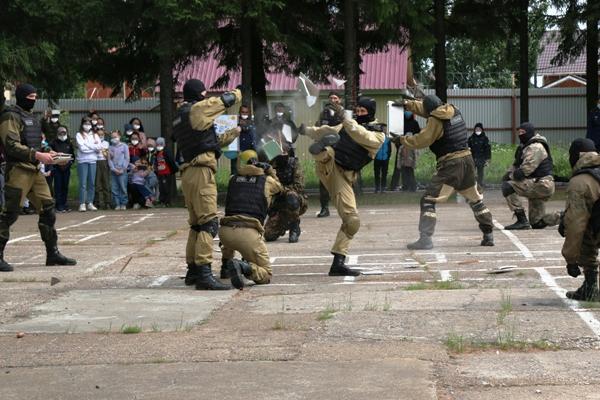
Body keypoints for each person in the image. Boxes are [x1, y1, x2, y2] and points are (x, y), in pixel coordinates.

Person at [396, 94, 494, 249]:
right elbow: (428, 109)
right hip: (467, 161)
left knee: (428, 199)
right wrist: (408, 104)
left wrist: (402, 140)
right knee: (475, 198)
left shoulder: (435, 119)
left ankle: (425, 239)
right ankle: (488, 234)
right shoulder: (454, 110)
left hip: (450, 164)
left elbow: (423, 139)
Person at [299, 97, 385, 275]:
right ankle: (322, 152)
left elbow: (361, 134)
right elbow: (327, 130)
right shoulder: (347, 124)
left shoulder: (377, 135)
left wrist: (346, 118)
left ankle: (337, 262)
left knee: (352, 221)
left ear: (371, 113)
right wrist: (303, 130)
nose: (360, 114)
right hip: (331, 166)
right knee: (329, 147)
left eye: (363, 112)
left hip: (345, 175)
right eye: (358, 110)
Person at [174, 79, 241, 290]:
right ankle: (204, 273)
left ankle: (193, 271)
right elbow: (225, 100)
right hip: (202, 171)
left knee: (196, 224)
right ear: (199, 93)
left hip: (188, 173)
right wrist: (239, 92)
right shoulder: (198, 109)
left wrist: (235, 132)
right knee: (209, 223)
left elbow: (207, 140)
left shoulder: (181, 115)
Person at [0, 83, 76, 272]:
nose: (33, 100)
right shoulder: (11, 116)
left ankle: (53, 254)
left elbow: (34, 143)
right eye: (30, 97)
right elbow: (11, 146)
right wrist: (38, 156)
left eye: (35, 97)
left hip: (34, 170)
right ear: (22, 97)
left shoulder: (31, 118)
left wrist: (50, 154)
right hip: (18, 170)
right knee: (9, 214)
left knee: (48, 208)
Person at [219, 150, 283, 289]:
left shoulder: (232, 179)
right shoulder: (267, 181)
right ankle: (243, 267)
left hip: (225, 233)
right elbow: (279, 188)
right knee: (266, 274)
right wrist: (270, 170)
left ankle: (225, 265)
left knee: (231, 234)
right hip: (248, 234)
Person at [559, 138, 600, 301]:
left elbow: (576, 224)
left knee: (583, 231)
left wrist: (571, 259)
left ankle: (590, 287)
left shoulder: (580, 182)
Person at [501, 122, 560, 230]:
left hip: (542, 184)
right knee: (537, 223)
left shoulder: (535, 147)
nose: (520, 134)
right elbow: (516, 165)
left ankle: (522, 220)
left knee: (508, 186)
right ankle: (564, 216)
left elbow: (524, 171)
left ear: (530, 133)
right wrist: (508, 173)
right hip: (538, 184)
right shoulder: (526, 147)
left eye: (523, 132)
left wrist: (510, 177)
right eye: (519, 132)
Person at [264, 150, 308, 243]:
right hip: (277, 203)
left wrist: (281, 189)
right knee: (268, 235)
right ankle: (284, 222)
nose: (282, 154)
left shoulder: (294, 163)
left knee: (291, 196)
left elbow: (298, 186)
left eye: (284, 151)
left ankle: (294, 226)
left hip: (294, 200)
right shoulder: (271, 165)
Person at [75, 116, 103, 212]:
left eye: (89, 124)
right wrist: (94, 147)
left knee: (91, 183)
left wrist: (88, 145)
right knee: (83, 183)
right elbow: (82, 149)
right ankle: (82, 203)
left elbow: (100, 147)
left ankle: (90, 202)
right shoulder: (79, 134)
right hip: (82, 161)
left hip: (93, 161)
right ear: (82, 124)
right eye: (85, 123)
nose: (87, 125)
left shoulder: (95, 135)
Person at [390, 111, 419, 191]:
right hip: (401, 148)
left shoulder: (415, 123)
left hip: (411, 148)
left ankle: (412, 186)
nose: (407, 113)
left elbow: (418, 135)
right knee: (399, 168)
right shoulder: (400, 123)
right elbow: (396, 135)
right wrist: (398, 145)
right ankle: (398, 186)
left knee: (410, 170)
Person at [49, 126, 74, 212]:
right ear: (57, 133)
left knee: (65, 186)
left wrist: (69, 162)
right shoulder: (53, 143)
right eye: (60, 133)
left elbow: (72, 156)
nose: (62, 134)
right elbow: (50, 155)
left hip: (66, 168)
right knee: (58, 186)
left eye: (64, 133)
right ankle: (59, 205)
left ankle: (64, 204)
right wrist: (57, 162)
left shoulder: (69, 143)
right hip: (57, 168)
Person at [153, 137, 178, 207]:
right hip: (160, 173)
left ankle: (167, 202)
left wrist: (174, 170)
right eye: (157, 145)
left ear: (163, 145)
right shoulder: (157, 153)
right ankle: (162, 201)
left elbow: (171, 161)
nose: (158, 146)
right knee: (161, 188)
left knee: (166, 188)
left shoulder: (166, 152)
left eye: (160, 144)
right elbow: (156, 163)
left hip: (166, 173)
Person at [108, 130, 130, 210]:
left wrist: (123, 168)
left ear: (119, 137)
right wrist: (113, 169)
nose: (114, 138)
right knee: (114, 188)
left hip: (122, 171)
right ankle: (117, 204)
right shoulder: (110, 147)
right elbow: (109, 160)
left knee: (123, 187)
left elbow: (127, 158)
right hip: (114, 171)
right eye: (112, 137)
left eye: (115, 137)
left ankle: (123, 203)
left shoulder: (124, 146)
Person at [468, 122, 491, 188]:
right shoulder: (471, 138)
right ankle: (472, 185)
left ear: (482, 130)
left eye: (479, 129)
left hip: (481, 158)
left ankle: (480, 184)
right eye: (476, 129)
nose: (477, 131)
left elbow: (488, 149)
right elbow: (467, 148)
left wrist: (488, 159)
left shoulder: (485, 139)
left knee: (480, 172)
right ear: (474, 130)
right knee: (471, 172)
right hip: (472, 158)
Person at [94, 129, 111, 210]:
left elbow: (107, 154)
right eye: (99, 134)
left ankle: (107, 202)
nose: (101, 136)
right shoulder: (93, 143)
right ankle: (97, 202)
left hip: (104, 162)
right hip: (96, 162)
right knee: (97, 183)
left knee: (106, 182)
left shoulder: (106, 143)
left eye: (102, 135)